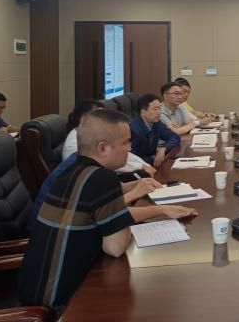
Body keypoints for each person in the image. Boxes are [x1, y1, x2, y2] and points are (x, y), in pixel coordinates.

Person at [18, 109, 195, 314]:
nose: (130, 147)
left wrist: (159, 209)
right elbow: (115, 247)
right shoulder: (102, 179)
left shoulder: (72, 169)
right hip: (61, 305)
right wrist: (157, 210)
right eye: (126, 142)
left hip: (36, 292)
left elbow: (103, 214)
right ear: (103, 148)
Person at [62, 100, 156, 176]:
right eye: (100, 115)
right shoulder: (77, 142)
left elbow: (124, 154)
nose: (105, 119)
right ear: (84, 117)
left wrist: (145, 165)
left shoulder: (95, 133)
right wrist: (141, 167)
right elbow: (110, 162)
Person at [130, 93, 181, 167]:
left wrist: (163, 148)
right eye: (155, 109)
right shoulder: (134, 130)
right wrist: (152, 158)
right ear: (143, 112)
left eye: (159, 108)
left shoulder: (157, 123)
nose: (159, 112)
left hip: (153, 164)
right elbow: (131, 159)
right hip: (140, 168)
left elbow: (175, 137)